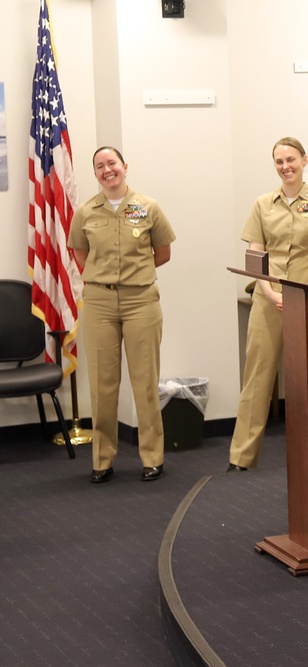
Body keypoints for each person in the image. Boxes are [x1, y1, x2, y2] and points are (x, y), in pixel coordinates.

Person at [228, 137, 308, 471]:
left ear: (305, 160)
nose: (285, 166)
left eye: (291, 159)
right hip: (268, 300)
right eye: (279, 162)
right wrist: (271, 292)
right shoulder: (263, 204)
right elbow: (255, 255)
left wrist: (306, 290)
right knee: (257, 377)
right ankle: (241, 458)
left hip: (307, 299)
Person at [68, 146, 176, 483]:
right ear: (96, 174)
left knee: (145, 381)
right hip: (99, 302)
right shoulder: (86, 211)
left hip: (140, 300)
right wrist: (106, 278)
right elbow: (80, 255)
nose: (107, 170)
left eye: (111, 163)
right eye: (99, 166)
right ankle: (102, 460)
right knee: (102, 385)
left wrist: (132, 276)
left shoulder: (149, 207)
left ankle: (152, 457)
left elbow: (163, 253)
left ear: (125, 166)